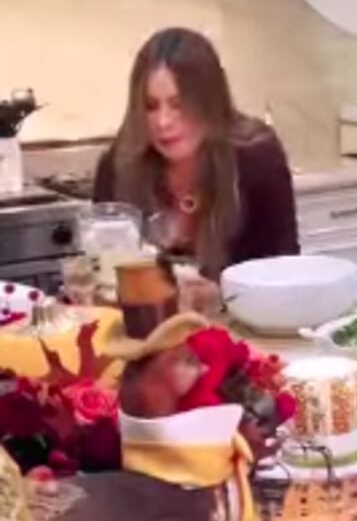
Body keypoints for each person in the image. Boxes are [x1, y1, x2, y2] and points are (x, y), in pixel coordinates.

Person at [94, 27, 299, 311]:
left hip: (245, 328)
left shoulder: (257, 158)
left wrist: (225, 297)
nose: (163, 122)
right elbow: (104, 280)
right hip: (149, 333)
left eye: (178, 105)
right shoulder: (120, 166)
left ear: (210, 103)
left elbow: (286, 273)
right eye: (151, 106)